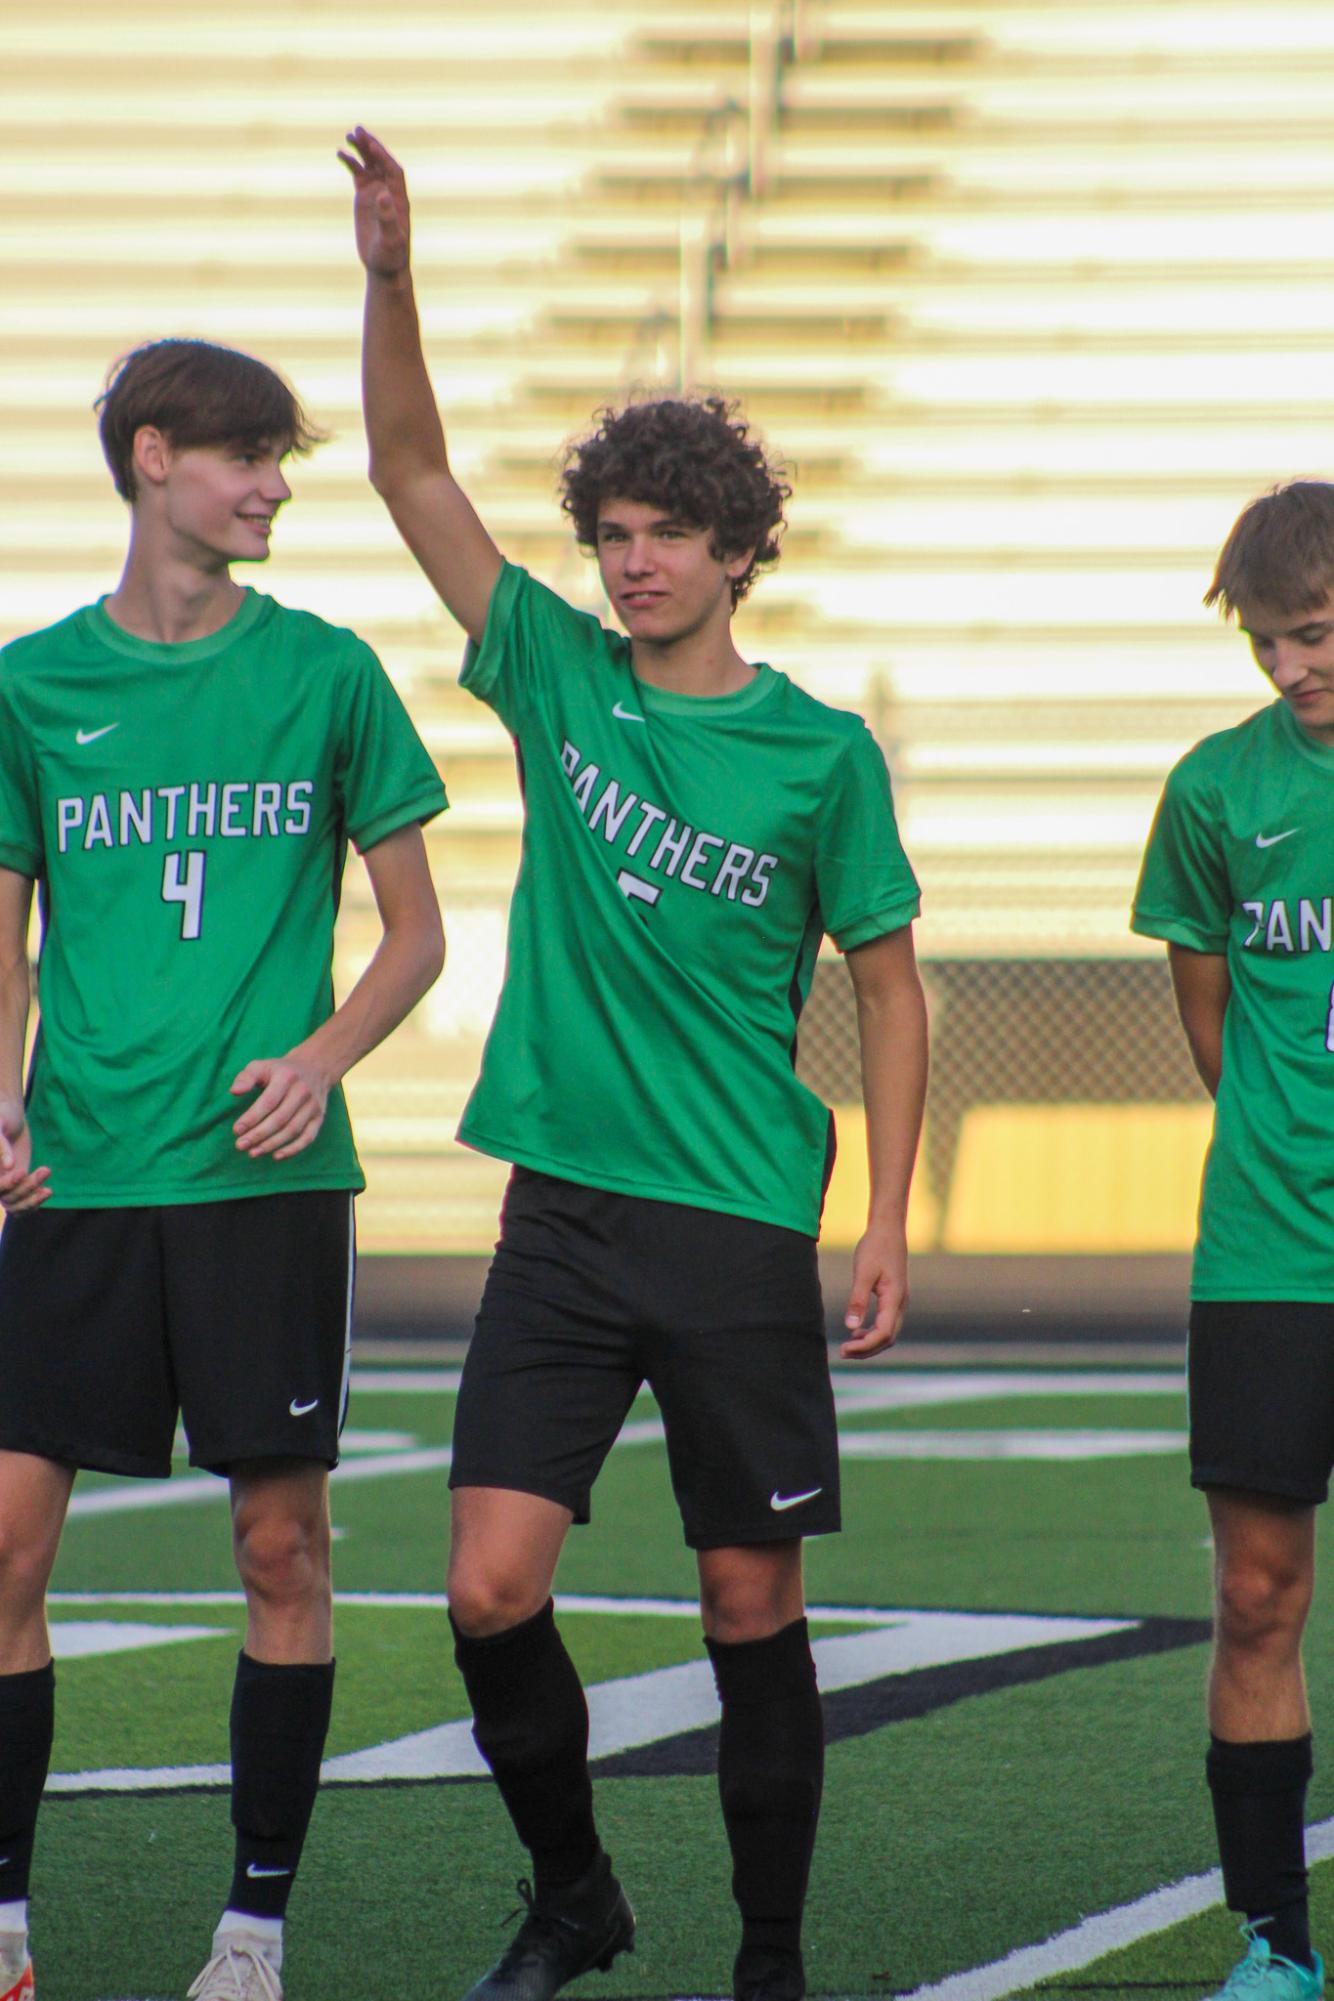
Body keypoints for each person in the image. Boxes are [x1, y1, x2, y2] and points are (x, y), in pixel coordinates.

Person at [341, 128, 929, 2001]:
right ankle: (576, 1894)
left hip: (741, 1222)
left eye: (668, 534)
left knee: (747, 1601)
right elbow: (413, 472)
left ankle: (768, 1959)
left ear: (739, 547)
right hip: (565, 1214)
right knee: (486, 1589)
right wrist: (391, 277)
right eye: (611, 534)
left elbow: (893, 989)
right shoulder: (555, 672)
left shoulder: (818, 755)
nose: (634, 561)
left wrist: (886, 1222)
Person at [0, 336, 447, 2001]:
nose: (269, 487)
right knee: (6, 1551)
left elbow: (415, 936)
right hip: (77, 1185)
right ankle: (5, 1920)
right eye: (244, 458)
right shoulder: (31, 684)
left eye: (282, 460)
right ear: (149, 458)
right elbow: (9, 935)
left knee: (281, 1549)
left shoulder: (327, 673)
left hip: (266, 1185)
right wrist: (2, 1098)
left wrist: (322, 1058)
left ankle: (252, 1929)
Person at [1132, 480, 1334, 2001]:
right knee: (1256, 1593)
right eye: (1269, 642)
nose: (1291, 669)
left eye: (1314, 634)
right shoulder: (1213, 788)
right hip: (1267, 1251)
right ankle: (1275, 1946)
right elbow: (1210, 1015)